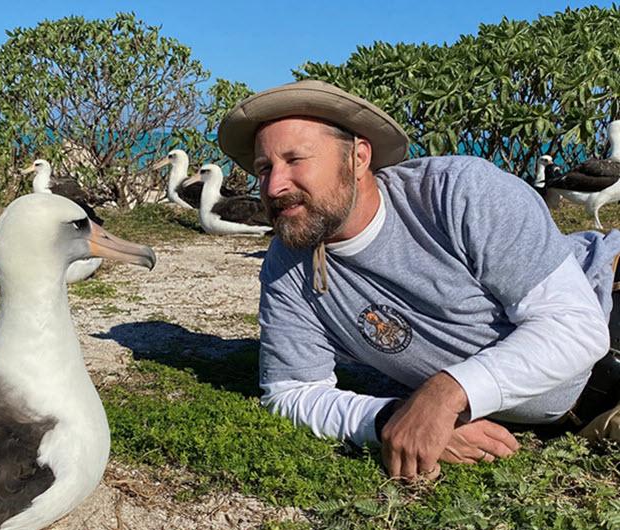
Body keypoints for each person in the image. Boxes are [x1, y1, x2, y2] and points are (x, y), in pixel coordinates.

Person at [216, 80, 620, 480]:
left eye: (295, 160)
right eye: (264, 168)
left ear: (358, 157)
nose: (273, 186)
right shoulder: (287, 264)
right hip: (565, 414)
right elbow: (291, 392)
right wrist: (392, 418)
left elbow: (576, 326)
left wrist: (446, 394)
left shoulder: (458, 193)